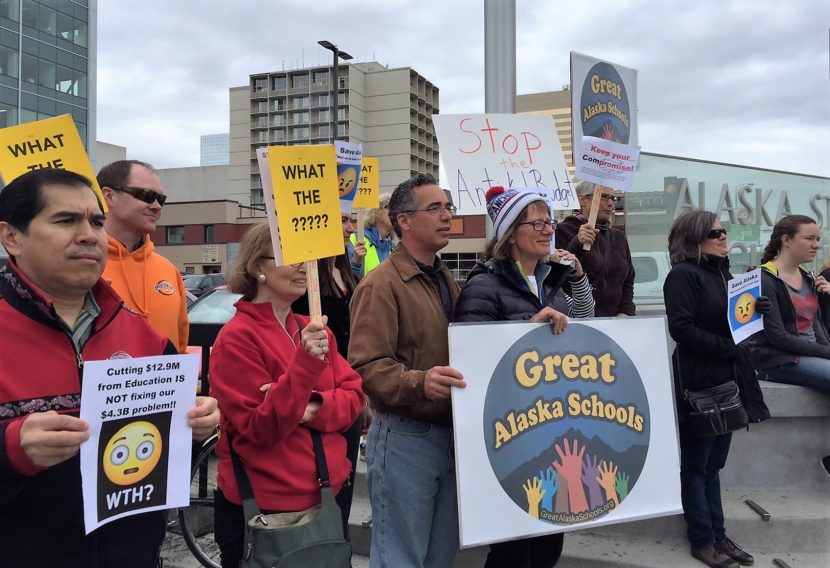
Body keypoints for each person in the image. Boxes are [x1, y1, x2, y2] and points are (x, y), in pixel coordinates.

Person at [0, 168, 219, 568]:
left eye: (97, 222)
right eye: (66, 220)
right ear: (11, 236)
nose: (89, 234)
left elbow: (162, 456)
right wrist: (11, 449)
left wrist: (197, 422)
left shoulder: (145, 337)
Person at [454, 186, 594, 568]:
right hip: (511, 436)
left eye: (549, 221)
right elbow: (472, 355)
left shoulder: (551, 282)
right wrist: (526, 329)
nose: (548, 229)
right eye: (536, 222)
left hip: (553, 429)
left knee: (549, 540)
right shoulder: (483, 285)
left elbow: (584, 321)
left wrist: (578, 276)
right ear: (510, 233)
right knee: (513, 549)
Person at [209, 223, 364, 568]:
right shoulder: (237, 339)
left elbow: (354, 398)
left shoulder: (308, 327)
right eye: (290, 258)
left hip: (326, 496)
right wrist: (305, 371)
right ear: (257, 268)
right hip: (264, 509)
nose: (303, 267)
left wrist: (310, 405)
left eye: (307, 258)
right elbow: (262, 427)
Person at [349, 173, 467, 568]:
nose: (446, 215)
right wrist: (421, 382)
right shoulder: (380, 285)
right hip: (405, 438)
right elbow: (366, 367)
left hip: (449, 435)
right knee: (400, 559)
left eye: (448, 206)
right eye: (434, 208)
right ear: (403, 220)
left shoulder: (444, 277)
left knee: (438, 558)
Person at [663, 209, 767, 568]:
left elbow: (731, 325)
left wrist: (755, 312)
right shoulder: (683, 275)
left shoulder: (726, 276)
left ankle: (718, 536)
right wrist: (731, 349)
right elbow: (682, 328)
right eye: (714, 233)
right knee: (696, 464)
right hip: (699, 380)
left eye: (724, 232)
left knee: (713, 466)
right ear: (693, 240)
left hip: (727, 379)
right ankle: (702, 538)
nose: (724, 238)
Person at [292, 211, 368, 538]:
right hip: (319, 396)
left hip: (347, 392)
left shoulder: (346, 272)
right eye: (343, 221)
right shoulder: (305, 281)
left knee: (344, 485)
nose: (351, 228)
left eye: (352, 220)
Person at [97, 159, 190, 353]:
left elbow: (181, 348)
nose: (157, 206)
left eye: (161, 199)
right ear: (109, 196)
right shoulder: (80, 265)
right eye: (146, 195)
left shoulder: (168, 270)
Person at [749, 214, 830, 395]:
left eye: (817, 239)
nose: (816, 245)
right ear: (786, 239)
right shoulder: (764, 279)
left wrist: (826, 350)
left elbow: (816, 325)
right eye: (809, 239)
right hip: (780, 360)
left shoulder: (808, 277)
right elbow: (778, 337)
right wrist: (825, 352)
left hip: (811, 355)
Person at [555, 181, 636, 317]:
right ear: (583, 200)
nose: (610, 203)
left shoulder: (618, 237)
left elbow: (628, 280)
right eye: (604, 197)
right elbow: (558, 276)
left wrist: (625, 312)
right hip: (577, 322)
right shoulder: (562, 232)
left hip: (615, 324)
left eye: (613, 198)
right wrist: (577, 243)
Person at [348, 194, 394, 277]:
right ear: (376, 211)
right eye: (388, 206)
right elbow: (347, 279)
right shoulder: (354, 240)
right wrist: (356, 262)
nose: (394, 211)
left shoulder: (393, 247)